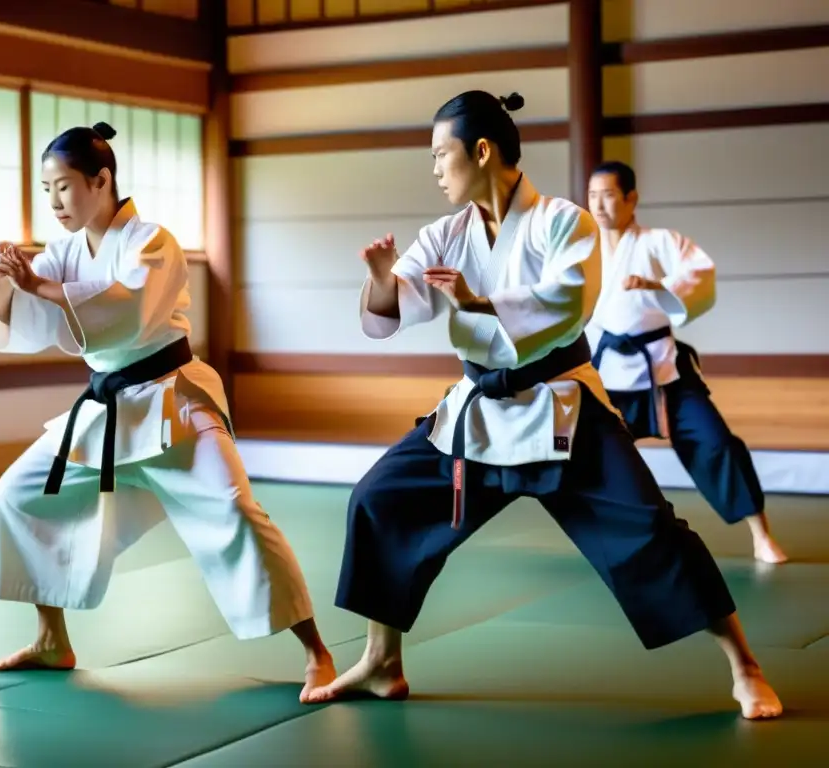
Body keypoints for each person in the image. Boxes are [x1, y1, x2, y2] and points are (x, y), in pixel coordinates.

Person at [307, 91, 783, 720]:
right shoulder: (446, 233)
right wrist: (379, 275)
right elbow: (395, 304)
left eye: (440, 154)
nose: (434, 168)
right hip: (478, 410)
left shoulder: (564, 222)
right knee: (379, 500)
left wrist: (482, 305)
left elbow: (567, 305)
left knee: (650, 531)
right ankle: (382, 661)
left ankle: (744, 667)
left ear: (481, 151)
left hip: (562, 407)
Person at [0, 121, 336, 703]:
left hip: (174, 401)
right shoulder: (66, 251)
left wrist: (37, 286)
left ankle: (317, 654)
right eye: (47, 190)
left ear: (102, 180)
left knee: (235, 511)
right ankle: (51, 640)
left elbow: (127, 311)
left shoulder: (153, 241)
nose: (54, 203)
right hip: (108, 409)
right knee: (20, 492)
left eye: (65, 187)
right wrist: (4, 280)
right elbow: (26, 318)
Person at [585, 161, 788, 565]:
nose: (600, 205)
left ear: (631, 199)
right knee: (593, 459)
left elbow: (699, 272)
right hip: (605, 375)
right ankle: (613, 538)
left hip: (664, 371)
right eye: (592, 196)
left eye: (608, 194)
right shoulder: (581, 251)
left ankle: (760, 534)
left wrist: (659, 286)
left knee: (717, 444)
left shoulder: (659, 242)